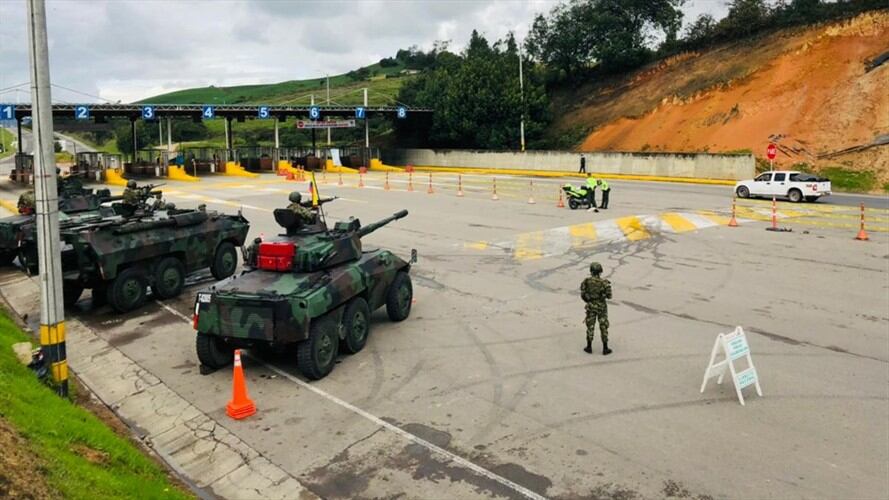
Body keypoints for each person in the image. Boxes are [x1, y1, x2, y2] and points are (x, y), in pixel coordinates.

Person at [581, 261, 612, 355]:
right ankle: (605, 348)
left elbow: (583, 294)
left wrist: (589, 301)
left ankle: (589, 347)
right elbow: (609, 296)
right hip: (602, 307)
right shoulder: (604, 283)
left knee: (590, 326)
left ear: (591, 271)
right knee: (603, 326)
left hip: (591, 306)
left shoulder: (586, 281)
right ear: (600, 271)